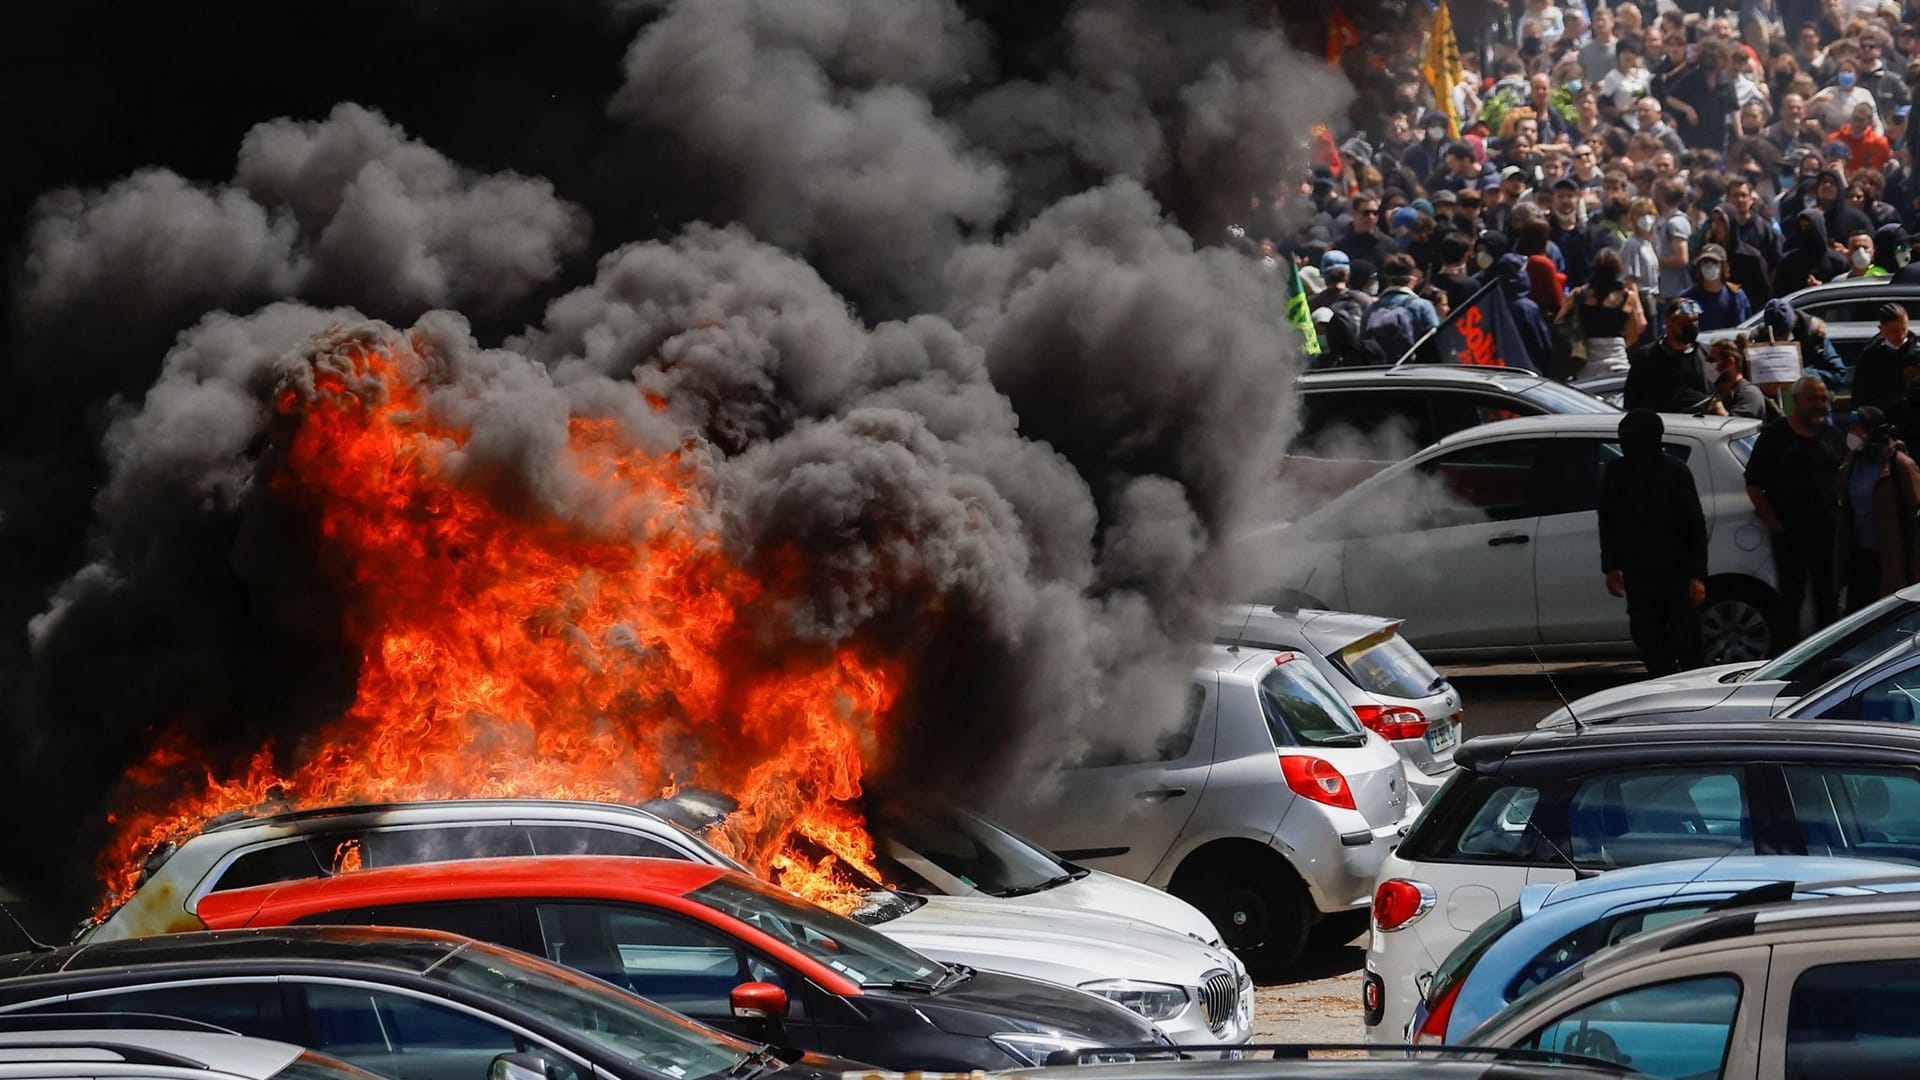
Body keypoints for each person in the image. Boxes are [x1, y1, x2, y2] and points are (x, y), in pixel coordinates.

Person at [1599, 409, 1709, 676]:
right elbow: (1609, 521)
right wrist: (1611, 567)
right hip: (1640, 573)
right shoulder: (1617, 473)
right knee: (1649, 639)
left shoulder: (1673, 472)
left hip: (1674, 572)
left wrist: (1697, 575)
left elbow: (1694, 524)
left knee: (1686, 640)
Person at [1745, 374, 1848, 645]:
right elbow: (1755, 486)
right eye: (1813, 399)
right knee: (1790, 599)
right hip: (1790, 537)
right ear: (1796, 401)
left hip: (1827, 534)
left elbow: (1842, 475)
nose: (1820, 404)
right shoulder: (1775, 436)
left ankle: (1829, 657)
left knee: (1829, 599)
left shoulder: (1832, 434)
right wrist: (1776, 525)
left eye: (1824, 399)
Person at [1834, 405, 1920, 612]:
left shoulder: (1900, 465)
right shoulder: (1853, 461)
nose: (1851, 435)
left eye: (1856, 429)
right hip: (1860, 556)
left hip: (1892, 558)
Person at [1563, 247, 1648, 379]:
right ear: (1619, 269)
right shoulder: (1627, 297)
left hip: (1585, 357)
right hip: (1616, 356)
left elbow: (1560, 319)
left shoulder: (1579, 294)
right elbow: (1641, 324)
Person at [1624, 297, 1712, 411]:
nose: (1692, 326)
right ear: (1670, 321)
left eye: (1695, 320)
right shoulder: (1646, 358)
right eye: (1686, 322)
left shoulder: (1707, 355)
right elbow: (1632, 401)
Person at [1850, 302, 1920, 410]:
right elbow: (1860, 396)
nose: (1900, 336)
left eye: (1904, 329)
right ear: (1881, 329)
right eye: (1894, 331)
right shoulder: (1870, 357)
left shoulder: (1916, 354)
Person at [1682, 244, 1753, 330]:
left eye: (1714, 262)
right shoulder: (1688, 298)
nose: (1709, 266)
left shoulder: (1736, 295)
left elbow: (1743, 329)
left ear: (1723, 266)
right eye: (1705, 262)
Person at [1710, 335, 1780, 420]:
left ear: (1729, 362)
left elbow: (1737, 427)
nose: (1708, 365)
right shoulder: (1714, 390)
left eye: (1712, 360)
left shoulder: (1749, 393)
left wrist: (1718, 408)